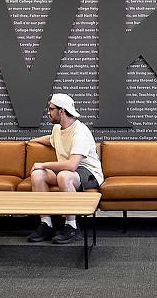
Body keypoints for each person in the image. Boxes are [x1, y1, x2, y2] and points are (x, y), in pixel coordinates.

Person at [26, 93, 104, 244]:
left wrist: (43, 164)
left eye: (51, 109)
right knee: (37, 175)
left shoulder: (80, 132)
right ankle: (46, 224)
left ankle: (72, 226)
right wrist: (31, 141)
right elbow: (51, 140)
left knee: (64, 176)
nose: (48, 112)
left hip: (88, 172)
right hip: (67, 170)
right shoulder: (58, 128)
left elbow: (72, 165)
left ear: (61, 111)